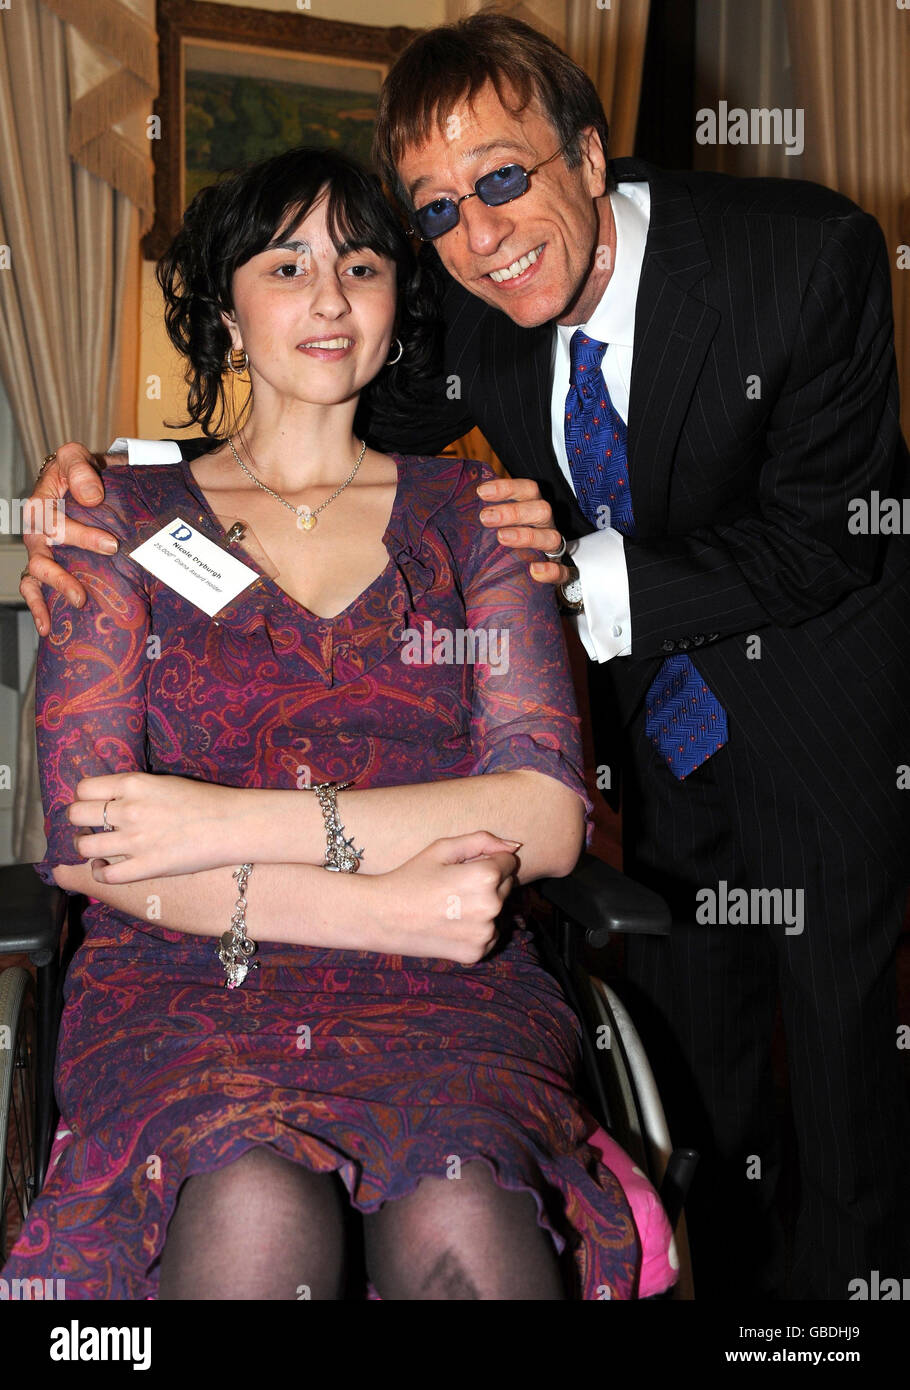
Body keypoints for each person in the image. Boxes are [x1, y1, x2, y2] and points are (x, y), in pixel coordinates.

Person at [19, 14, 910, 1299]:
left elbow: (822, 539)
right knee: (705, 1075)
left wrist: (556, 578)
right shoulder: (469, 319)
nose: (479, 234)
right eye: (436, 211)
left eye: (502, 179)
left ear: (590, 158)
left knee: (835, 1072)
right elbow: (308, 395)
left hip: (809, 695)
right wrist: (110, 475)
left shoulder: (802, 258)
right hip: (637, 743)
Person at [0, 143, 655, 1301]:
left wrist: (218, 819)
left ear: (399, 305)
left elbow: (546, 817)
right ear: (224, 308)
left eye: (359, 266)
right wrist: (386, 903)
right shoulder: (119, 517)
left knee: (464, 1204)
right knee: (251, 1199)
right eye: (285, 266)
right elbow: (101, 845)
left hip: (448, 994)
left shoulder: (479, 517)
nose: (327, 299)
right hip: (188, 979)